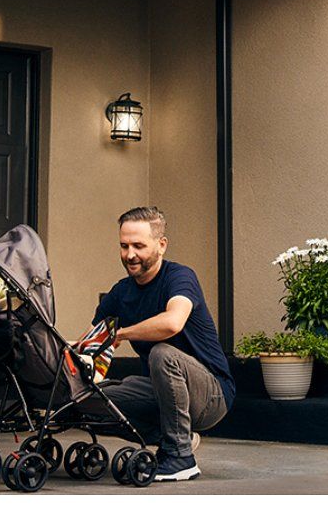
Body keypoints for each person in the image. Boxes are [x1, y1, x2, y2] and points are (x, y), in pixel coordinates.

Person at [91, 206, 234, 482]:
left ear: (161, 245)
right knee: (91, 398)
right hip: (163, 391)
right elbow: (93, 342)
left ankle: (181, 457)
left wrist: (122, 333)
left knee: (163, 353)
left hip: (212, 394)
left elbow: (172, 323)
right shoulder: (120, 292)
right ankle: (175, 436)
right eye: (124, 246)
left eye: (138, 246)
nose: (129, 254)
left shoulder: (180, 278)